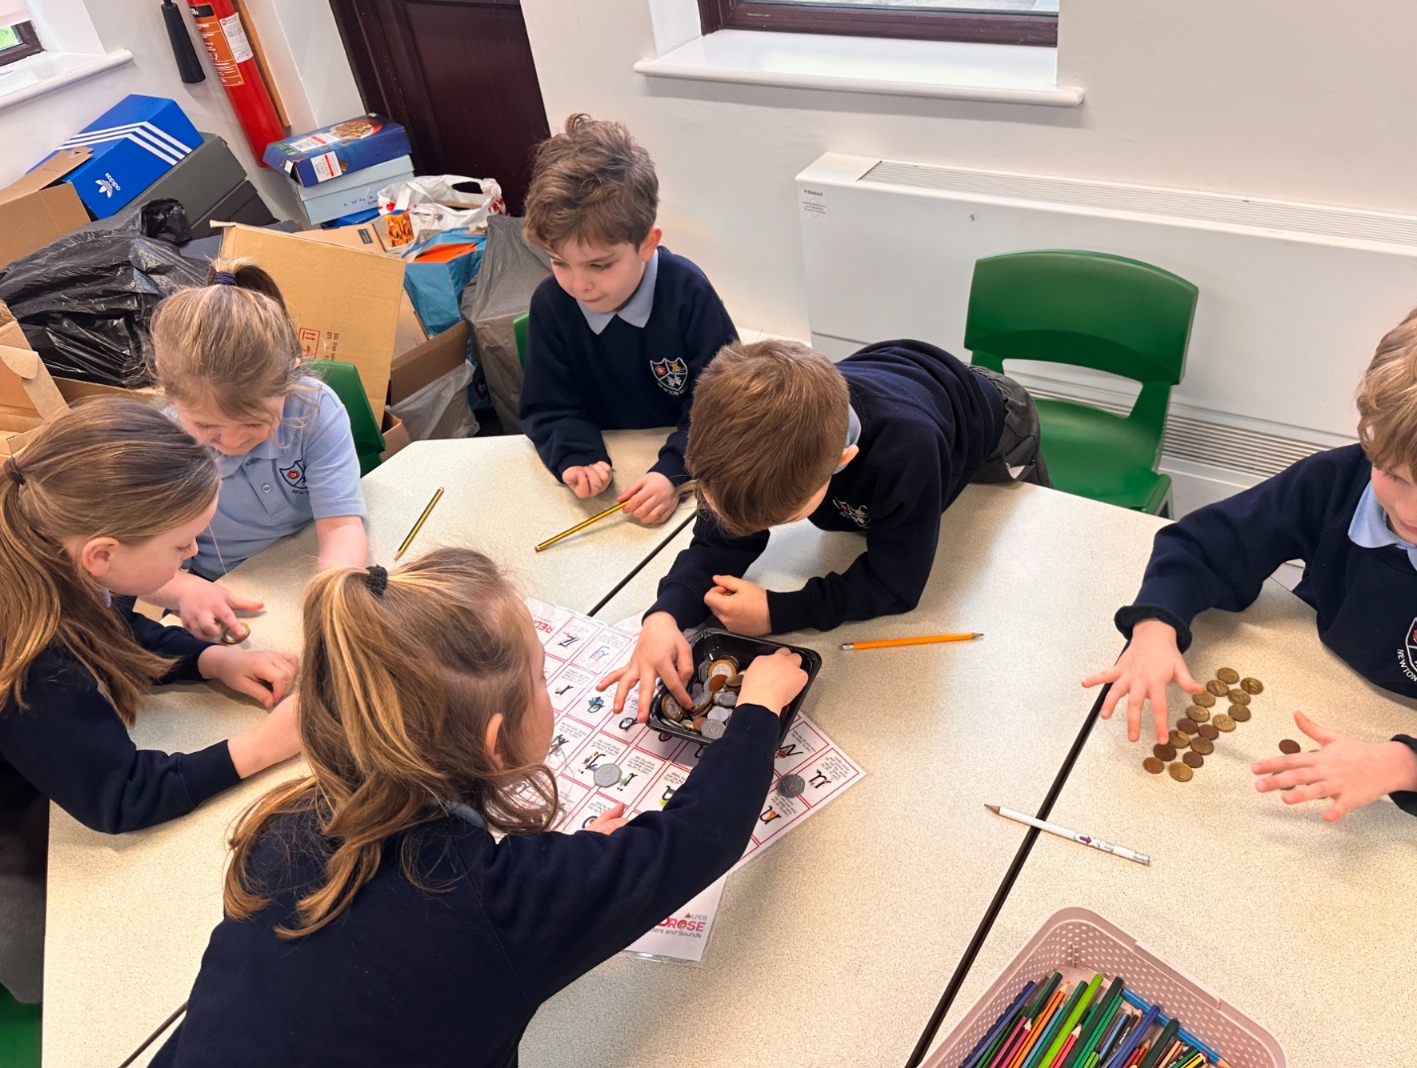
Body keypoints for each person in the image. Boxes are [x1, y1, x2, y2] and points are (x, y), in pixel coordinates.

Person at [148, 548, 809, 1067]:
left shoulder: (283, 824)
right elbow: (700, 835)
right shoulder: (505, 902)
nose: (549, 689)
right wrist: (757, 709)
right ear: (495, 743)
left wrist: (576, 873)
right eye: (541, 679)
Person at [1085, 274, 1417, 818]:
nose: (1409, 512)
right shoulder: (1338, 478)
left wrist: (1405, 765)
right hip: (1310, 679)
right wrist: (1156, 625)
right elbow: (1206, 543)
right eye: (1393, 474)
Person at [0, 399, 301, 1005]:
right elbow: (120, 795)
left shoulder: (52, 552)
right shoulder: (34, 659)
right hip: (16, 816)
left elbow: (112, 628)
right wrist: (264, 745)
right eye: (182, 544)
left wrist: (211, 660)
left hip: (40, 758)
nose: (192, 556)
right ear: (102, 554)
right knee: (46, 975)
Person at [604, 338, 1051, 721]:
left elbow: (898, 583)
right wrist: (666, 614)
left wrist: (780, 611)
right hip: (901, 386)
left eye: (782, 518)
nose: (751, 529)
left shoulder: (908, 450)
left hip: (996, 423)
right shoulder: (735, 452)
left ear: (842, 462)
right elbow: (720, 538)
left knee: (1033, 519)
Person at [517, 113, 737, 526]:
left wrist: (673, 471)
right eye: (559, 262)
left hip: (684, 463)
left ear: (647, 244)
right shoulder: (551, 302)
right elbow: (548, 405)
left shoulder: (688, 292)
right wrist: (575, 455)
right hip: (612, 470)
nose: (579, 285)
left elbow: (724, 404)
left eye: (599, 265)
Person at [143, 260, 369, 640]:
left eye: (253, 423)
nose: (232, 443)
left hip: (312, 556)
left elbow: (341, 525)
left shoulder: (314, 408)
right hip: (222, 586)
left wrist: (333, 594)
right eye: (206, 427)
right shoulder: (160, 445)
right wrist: (182, 590)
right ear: (169, 395)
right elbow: (133, 565)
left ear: (292, 378)